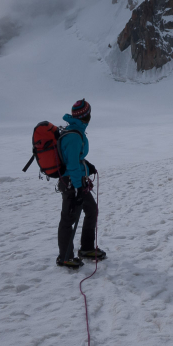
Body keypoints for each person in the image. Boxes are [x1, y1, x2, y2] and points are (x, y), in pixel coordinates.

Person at [56, 99, 107, 268]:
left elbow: (75, 159)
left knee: (91, 210)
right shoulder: (74, 136)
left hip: (77, 181)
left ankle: (86, 248)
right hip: (72, 183)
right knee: (68, 219)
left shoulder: (76, 131)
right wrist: (78, 187)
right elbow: (71, 165)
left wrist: (86, 166)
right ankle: (65, 257)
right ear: (86, 116)